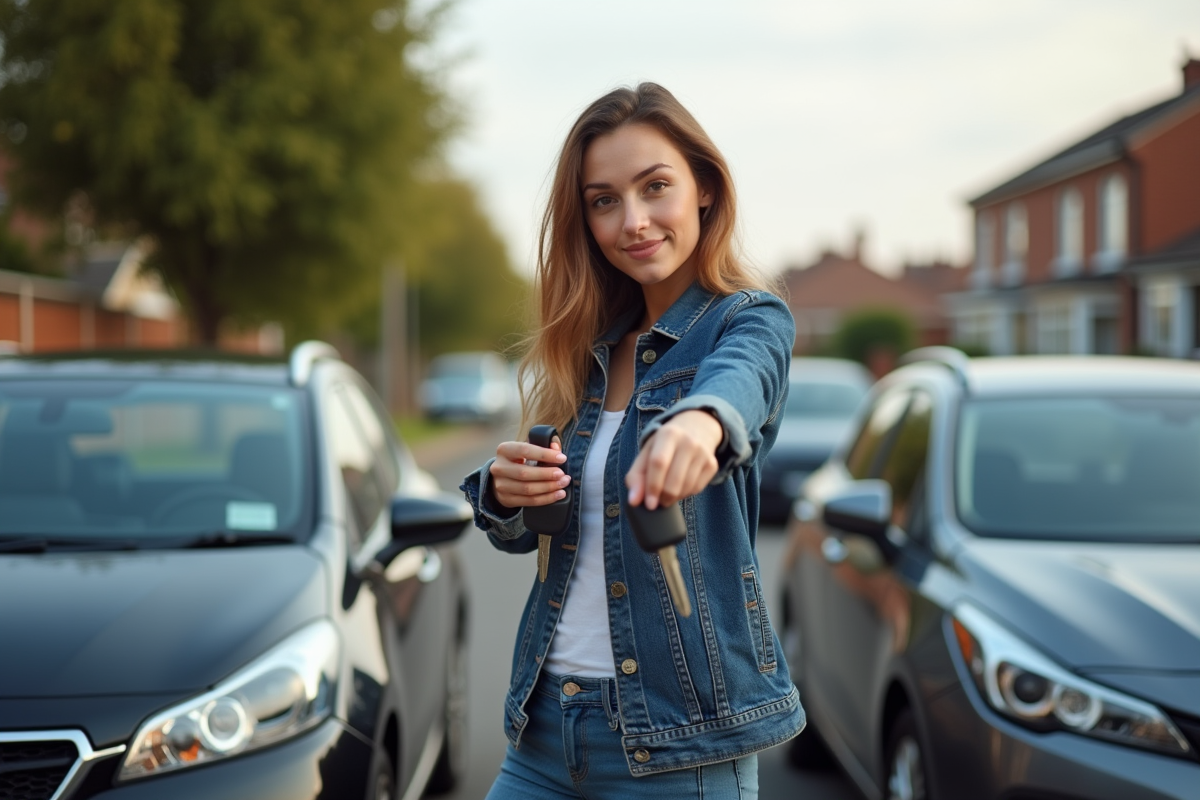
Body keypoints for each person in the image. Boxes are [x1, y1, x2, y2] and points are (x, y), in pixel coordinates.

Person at [460, 82, 802, 799]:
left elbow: (741, 383)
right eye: (604, 199)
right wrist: (506, 493)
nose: (634, 221)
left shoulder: (747, 320)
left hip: (682, 747)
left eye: (656, 188)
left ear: (704, 188)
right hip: (548, 728)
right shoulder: (587, 350)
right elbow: (529, 537)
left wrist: (699, 425)